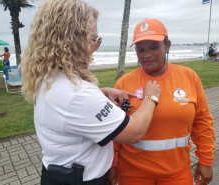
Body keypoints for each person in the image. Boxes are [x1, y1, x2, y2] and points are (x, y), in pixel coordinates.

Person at [21, 1, 161, 185]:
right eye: (93, 39)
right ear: (74, 41)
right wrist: (151, 97)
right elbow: (134, 132)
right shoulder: (77, 94)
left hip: (56, 175)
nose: (94, 48)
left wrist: (99, 93)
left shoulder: (48, 78)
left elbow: (66, 109)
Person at [109, 18, 215, 185]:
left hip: (177, 173)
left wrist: (206, 159)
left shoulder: (189, 77)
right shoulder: (123, 83)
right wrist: (112, 163)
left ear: (167, 45)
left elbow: (202, 121)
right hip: (132, 174)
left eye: (154, 47)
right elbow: (115, 129)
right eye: (140, 50)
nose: (147, 55)